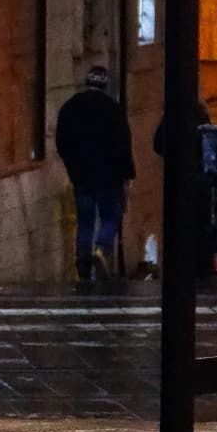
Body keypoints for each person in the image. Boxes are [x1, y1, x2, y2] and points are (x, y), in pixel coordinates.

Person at [55, 65, 136, 281]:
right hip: (109, 177)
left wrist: (72, 167)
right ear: (105, 84)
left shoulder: (71, 107)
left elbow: (61, 141)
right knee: (111, 216)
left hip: (82, 176)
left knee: (85, 221)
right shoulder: (113, 109)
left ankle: (83, 264)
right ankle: (102, 248)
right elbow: (123, 143)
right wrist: (127, 175)